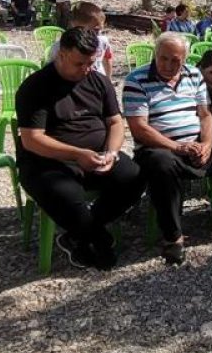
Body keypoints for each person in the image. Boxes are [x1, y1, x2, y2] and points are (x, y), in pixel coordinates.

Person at [124, 33, 212, 265]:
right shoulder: (136, 80)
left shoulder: (193, 74)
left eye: (175, 60)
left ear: (185, 59)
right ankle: (173, 237)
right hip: (159, 147)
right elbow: (139, 128)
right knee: (161, 163)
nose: (168, 65)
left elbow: (205, 115)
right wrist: (177, 146)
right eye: (163, 58)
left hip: (194, 142)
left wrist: (207, 145)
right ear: (155, 54)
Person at [16, 28, 148, 271]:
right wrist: (76, 154)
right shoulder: (36, 87)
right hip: (49, 161)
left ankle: (80, 232)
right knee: (67, 196)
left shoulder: (98, 81)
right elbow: (32, 139)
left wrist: (112, 153)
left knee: (135, 177)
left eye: (91, 63)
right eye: (79, 63)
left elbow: (115, 122)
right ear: (62, 54)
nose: (86, 69)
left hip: (97, 155)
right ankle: (96, 238)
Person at [46, 2, 113, 76]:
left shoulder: (102, 41)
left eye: (100, 29)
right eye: (95, 30)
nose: (98, 33)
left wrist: (108, 79)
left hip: (97, 80)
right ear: (75, 25)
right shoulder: (61, 47)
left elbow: (107, 58)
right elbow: (51, 70)